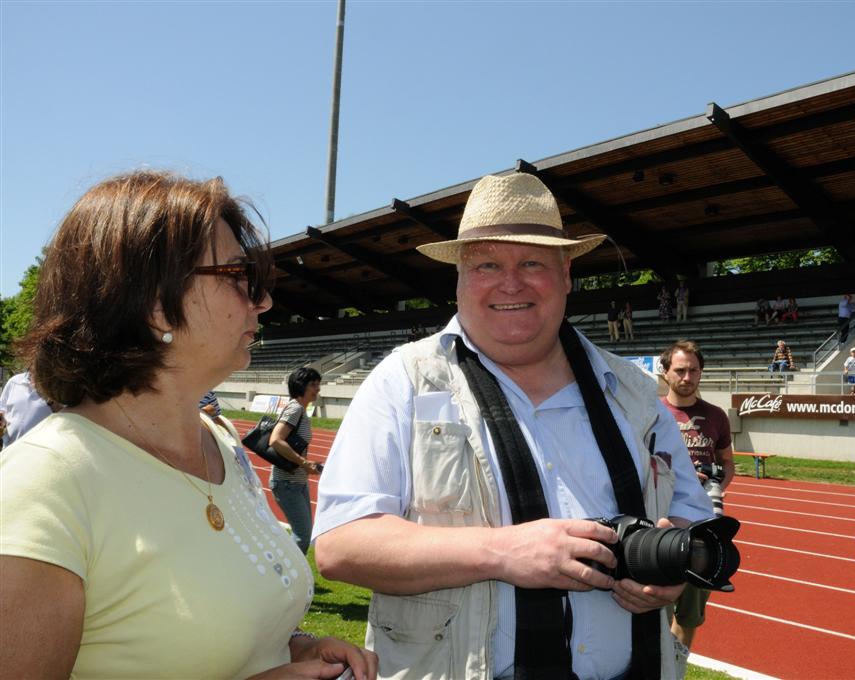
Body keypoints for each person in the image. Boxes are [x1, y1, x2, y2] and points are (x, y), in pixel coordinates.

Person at [312, 173, 714, 680]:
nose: (511, 282)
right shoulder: (404, 381)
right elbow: (340, 545)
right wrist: (503, 551)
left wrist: (673, 564)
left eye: (532, 262)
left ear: (566, 274)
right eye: (486, 264)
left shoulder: (633, 391)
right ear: (459, 276)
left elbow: (693, 523)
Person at [0, 171, 376, 679]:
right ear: (155, 301)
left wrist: (294, 646)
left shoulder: (218, 442)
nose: (261, 301)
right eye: (239, 276)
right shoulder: (45, 481)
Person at [659, 341, 735, 655]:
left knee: (691, 610)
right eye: (680, 370)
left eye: (693, 370)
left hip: (703, 526)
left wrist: (716, 485)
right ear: (665, 373)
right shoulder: (652, 413)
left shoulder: (716, 416)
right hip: (660, 521)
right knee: (656, 602)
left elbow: (728, 461)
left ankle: (676, 668)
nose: (687, 376)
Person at [270, 367, 323, 555]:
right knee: (302, 536)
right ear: (301, 386)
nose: (318, 389)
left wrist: (308, 464)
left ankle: (289, 574)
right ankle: (287, 575)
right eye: (313, 385)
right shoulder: (295, 409)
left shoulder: (300, 410)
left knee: (303, 534)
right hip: (287, 482)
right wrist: (304, 463)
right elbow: (275, 440)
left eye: (318, 384)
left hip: (297, 482)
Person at [0, 371, 55, 448]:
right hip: (9, 450)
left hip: (40, 453)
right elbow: (3, 409)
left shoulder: (57, 388)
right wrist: (2, 419)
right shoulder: (14, 381)